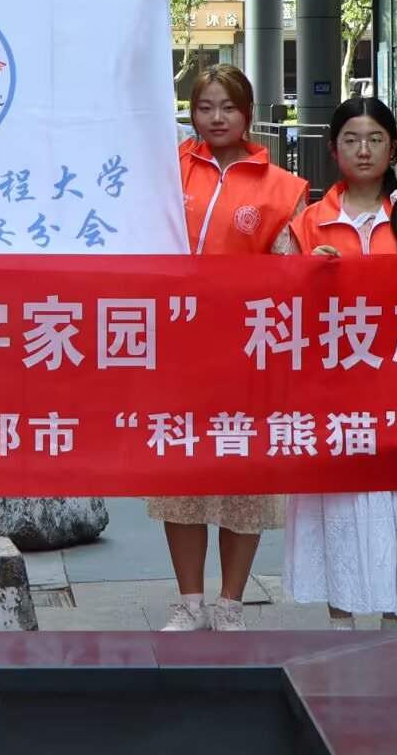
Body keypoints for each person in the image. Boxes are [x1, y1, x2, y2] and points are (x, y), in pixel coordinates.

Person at [153, 64, 309, 633]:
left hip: (248, 353)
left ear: (248, 114)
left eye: (228, 107)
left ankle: (230, 604)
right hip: (177, 349)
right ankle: (189, 602)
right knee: (182, 477)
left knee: (244, 475)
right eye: (205, 107)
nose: (216, 118)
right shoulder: (165, 171)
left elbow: (292, 271)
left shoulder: (282, 188)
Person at [283, 95, 397, 632]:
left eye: (375, 139)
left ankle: (395, 624)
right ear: (333, 150)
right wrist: (305, 274)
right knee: (339, 503)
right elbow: (284, 311)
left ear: (393, 148)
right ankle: (340, 623)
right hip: (336, 387)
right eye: (351, 140)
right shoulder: (310, 222)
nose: (363, 150)